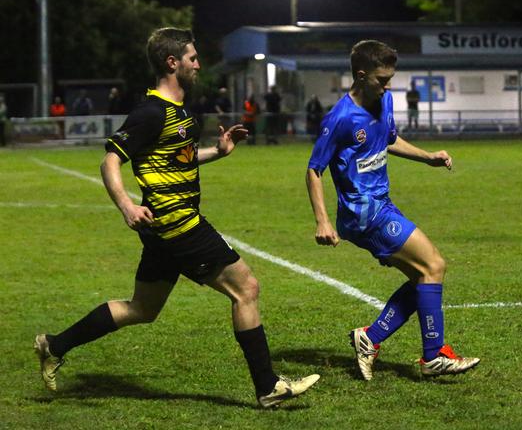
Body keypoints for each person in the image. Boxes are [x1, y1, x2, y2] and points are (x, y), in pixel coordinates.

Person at [33, 27, 319, 408]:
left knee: (142, 309)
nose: (199, 64)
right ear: (173, 62)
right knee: (246, 288)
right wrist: (126, 206)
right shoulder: (151, 111)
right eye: (193, 58)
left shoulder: (177, 112)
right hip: (176, 223)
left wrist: (218, 152)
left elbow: (176, 159)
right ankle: (268, 386)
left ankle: (54, 345)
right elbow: (110, 161)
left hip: (161, 231)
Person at [306, 40, 479, 381]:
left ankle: (369, 338)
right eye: (382, 79)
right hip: (364, 214)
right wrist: (323, 220)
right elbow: (314, 169)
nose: (389, 86)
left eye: (390, 78)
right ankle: (434, 356)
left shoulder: (384, 100)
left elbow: (388, 139)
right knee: (434, 265)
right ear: (361, 75)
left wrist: (427, 156)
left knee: (421, 277)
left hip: (382, 205)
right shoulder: (340, 118)